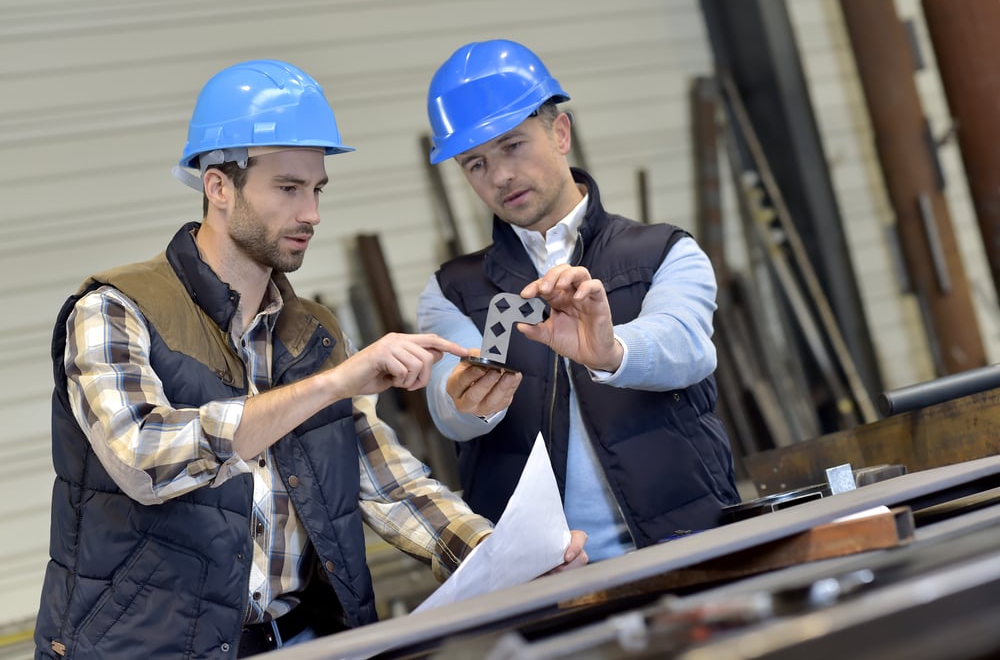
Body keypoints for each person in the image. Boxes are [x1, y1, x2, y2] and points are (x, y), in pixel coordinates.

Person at [34, 59, 586, 660]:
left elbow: (387, 484)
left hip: (303, 641)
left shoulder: (311, 334)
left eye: (316, 189)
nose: (312, 214)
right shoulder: (117, 310)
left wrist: (508, 558)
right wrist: (330, 386)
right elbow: (143, 459)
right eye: (288, 188)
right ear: (218, 186)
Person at [417, 39, 741, 563]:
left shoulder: (662, 252)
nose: (499, 176)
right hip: (547, 576)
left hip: (687, 548)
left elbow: (687, 346)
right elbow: (447, 407)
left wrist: (610, 352)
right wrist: (465, 400)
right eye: (476, 163)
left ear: (560, 132)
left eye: (513, 146)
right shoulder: (454, 289)